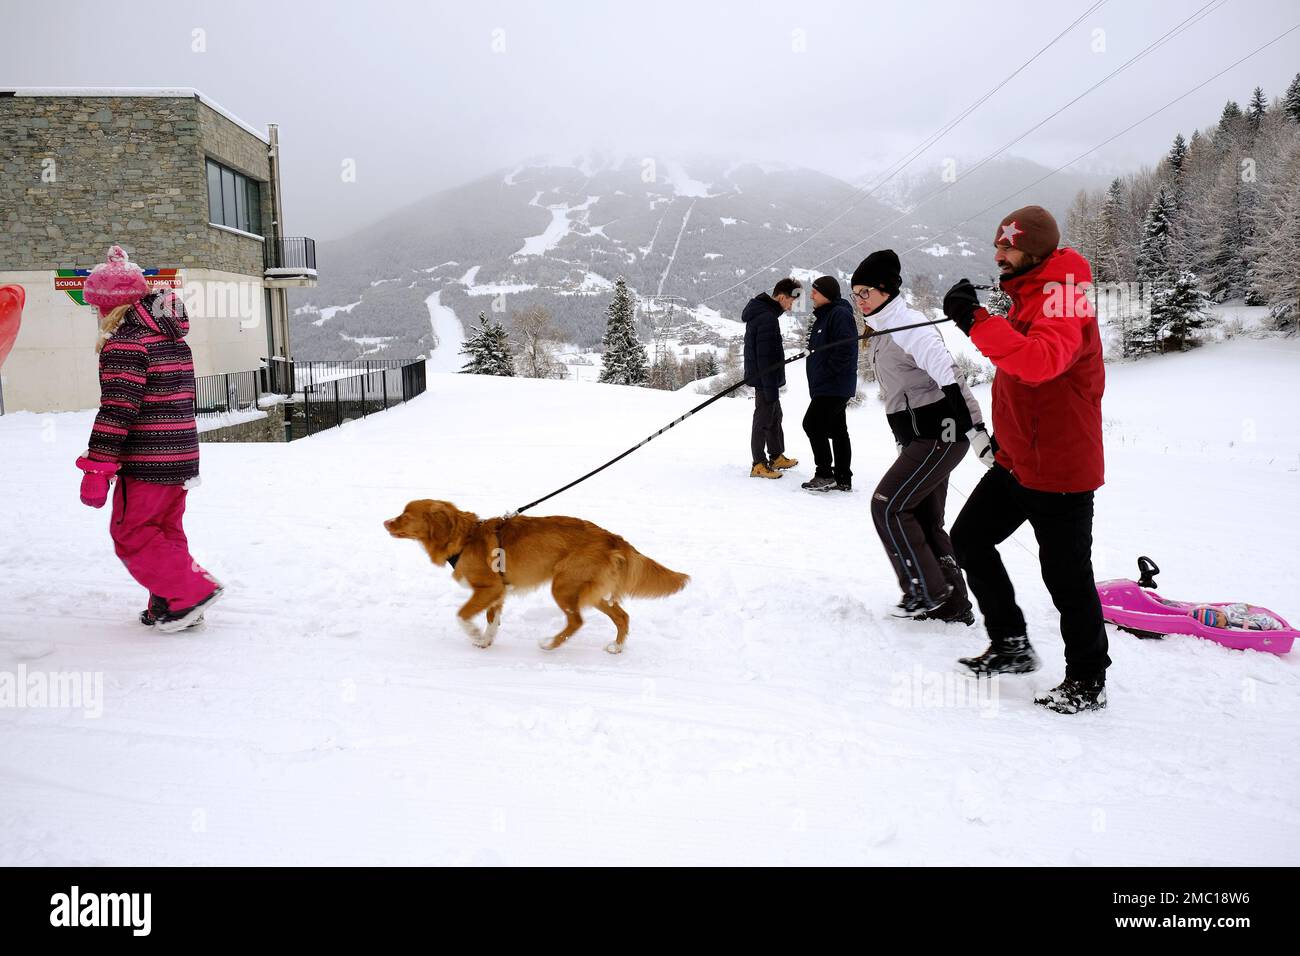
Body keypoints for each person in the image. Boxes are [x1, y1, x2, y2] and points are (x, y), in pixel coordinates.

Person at [942, 205, 1109, 714]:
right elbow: (1021, 373)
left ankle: (1087, 681)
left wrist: (976, 321)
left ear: (1034, 248)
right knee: (968, 538)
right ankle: (1011, 644)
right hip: (1019, 463)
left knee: (1066, 579)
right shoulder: (1030, 294)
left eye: (1007, 247)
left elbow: (1038, 364)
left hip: (1059, 470)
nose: (998, 255)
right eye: (997, 245)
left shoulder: (1062, 298)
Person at [76, 245, 223, 632]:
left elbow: (117, 410)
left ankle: (190, 592)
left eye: (97, 306)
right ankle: (171, 604)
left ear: (110, 306)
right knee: (165, 531)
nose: (96, 312)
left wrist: (98, 466)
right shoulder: (170, 338)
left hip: (147, 460)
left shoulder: (126, 343)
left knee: (132, 533)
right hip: (180, 456)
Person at [850, 250, 992, 624]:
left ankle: (924, 591)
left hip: (940, 435)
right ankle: (953, 604)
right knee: (925, 516)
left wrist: (976, 431)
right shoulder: (882, 328)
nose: (859, 300)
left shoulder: (909, 326)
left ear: (886, 289)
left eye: (865, 291)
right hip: (920, 438)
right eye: (855, 293)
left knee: (888, 505)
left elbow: (951, 376)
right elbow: (902, 394)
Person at [801, 275, 858, 492]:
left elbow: (845, 348)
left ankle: (824, 474)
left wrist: (828, 373)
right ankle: (843, 478)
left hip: (833, 385)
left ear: (826, 294)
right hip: (828, 385)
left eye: (815, 292)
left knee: (812, 424)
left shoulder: (839, 314)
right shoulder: (824, 317)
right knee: (837, 429)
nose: (811, 295)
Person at [743, 278, 801, 479]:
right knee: (763, 418)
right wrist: (770, 385)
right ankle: (758, 463)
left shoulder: (766, 314)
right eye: (791, 301)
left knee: (775, 416)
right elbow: (765, 356)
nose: (791, 305)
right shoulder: (767, 318)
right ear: (782, 297)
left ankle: (776, 456)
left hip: (767, 377)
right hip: (764, 378)